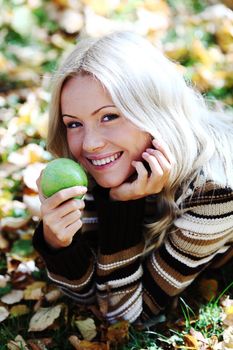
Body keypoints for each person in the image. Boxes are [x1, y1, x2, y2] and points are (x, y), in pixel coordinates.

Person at [33, 31, 233, 324]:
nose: (90, 144)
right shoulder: (102, 164)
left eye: (109, 116)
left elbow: (124, 315)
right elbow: (94, 297)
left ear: (151, 112)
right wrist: (58, 243)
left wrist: (122, 206)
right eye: (74, 123)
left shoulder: (215, 189)